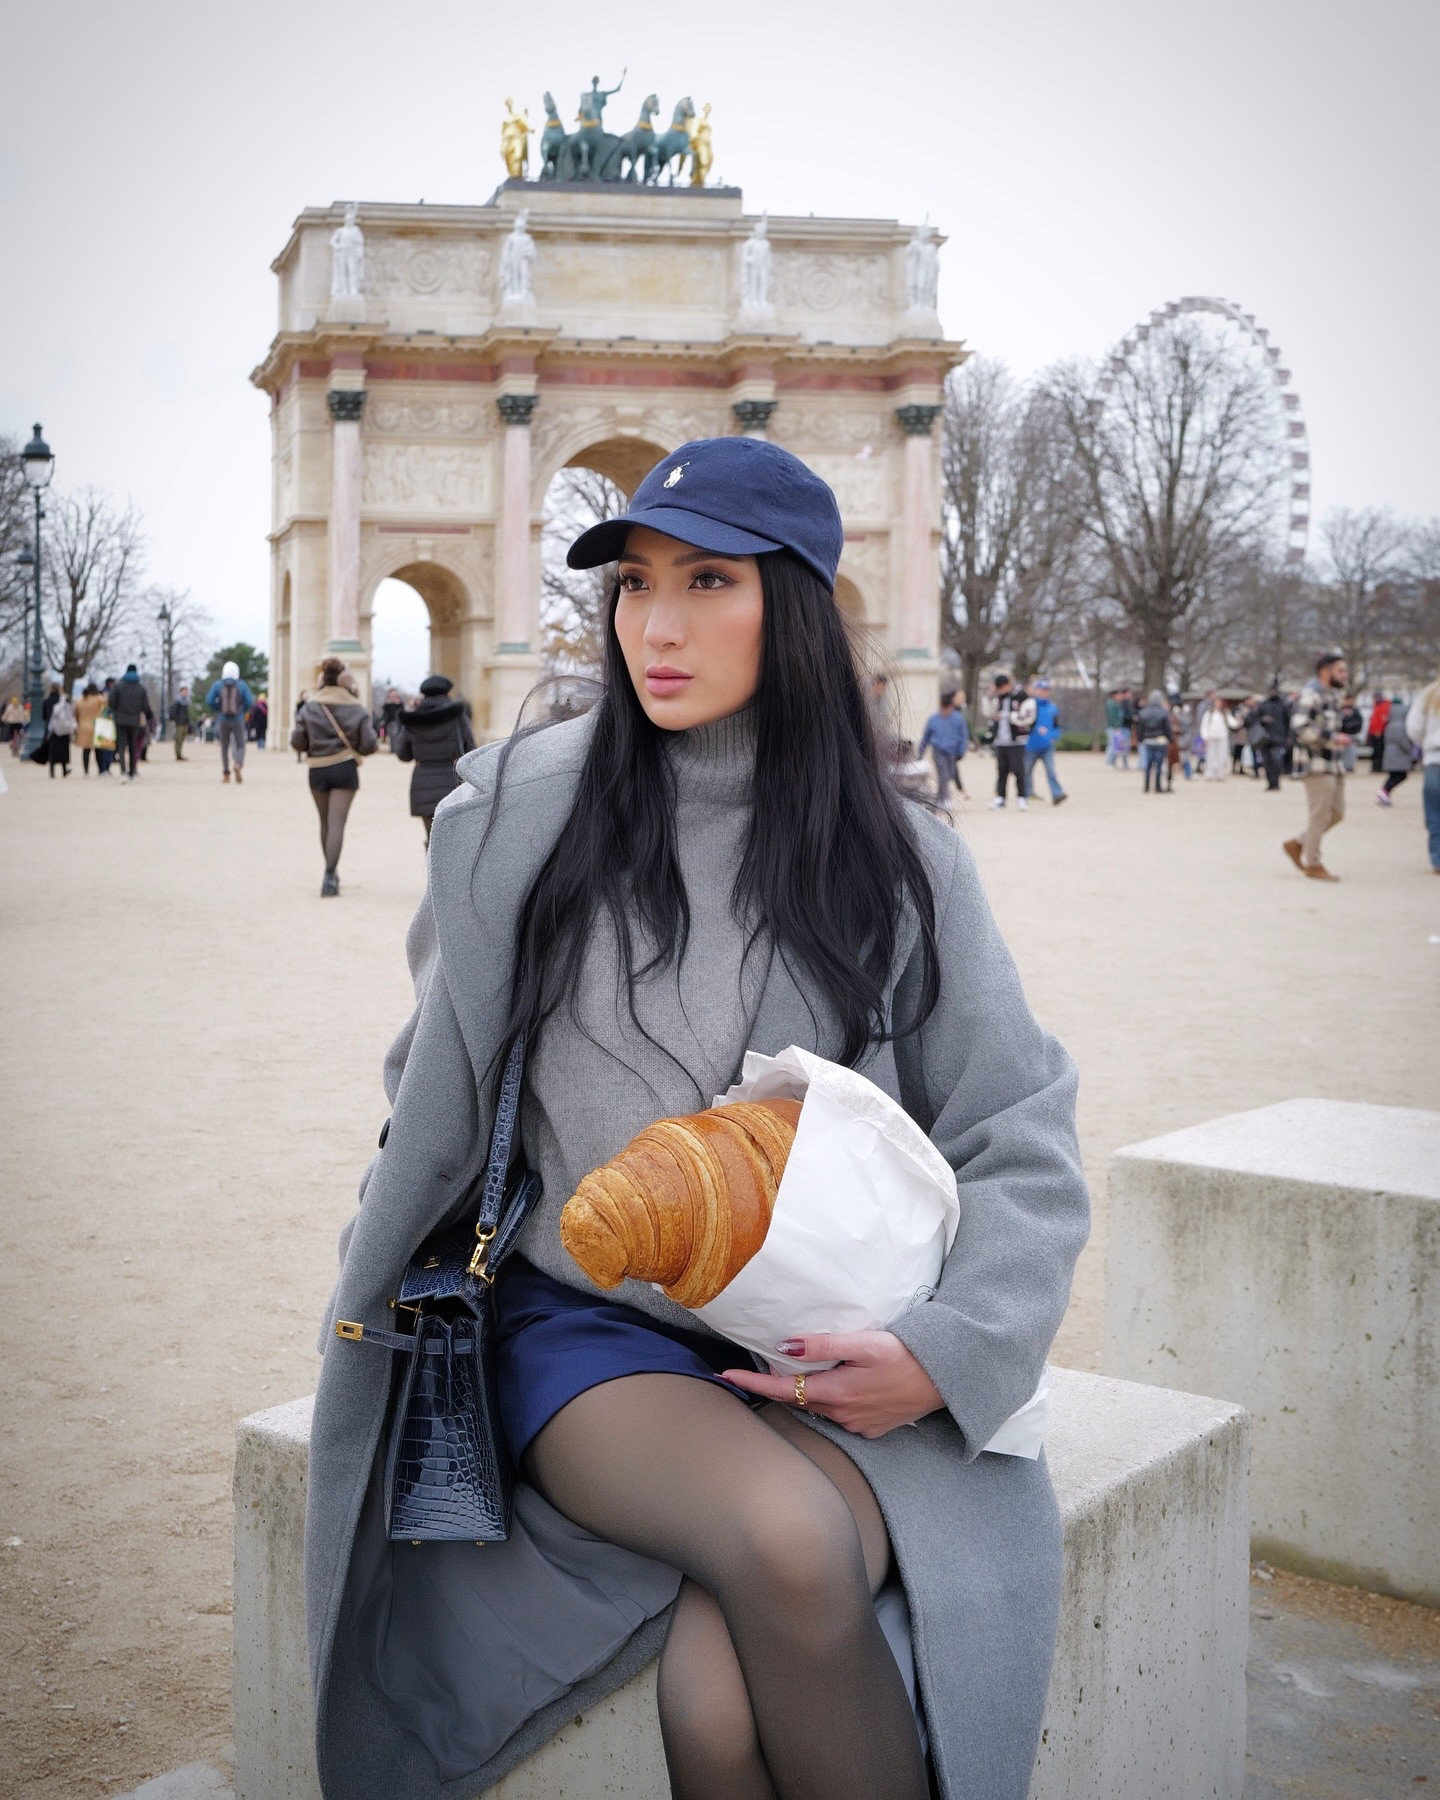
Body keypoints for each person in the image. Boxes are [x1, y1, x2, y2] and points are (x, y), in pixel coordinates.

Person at [305, 438, 1088, 1800]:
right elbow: (427, 1100)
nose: (654, 626)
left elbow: (1019, 1126)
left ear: (795, 608)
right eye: (633, 584)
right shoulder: (517, 818)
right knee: (788, 1540)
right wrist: (366, 1308)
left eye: (707, 581)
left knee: (718, 1708)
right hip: (587, 1333)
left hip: (827, 1341)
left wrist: (947, 1353)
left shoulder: (905, 859)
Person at [290, 656, 378, 895]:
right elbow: (369, 745)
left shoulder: (310, 707)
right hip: (344, 767)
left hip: (317, 769)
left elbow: (297, 742)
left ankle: (330, 871)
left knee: (324, 822)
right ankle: (330, 875)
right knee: (337, 822)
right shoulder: (356, 707)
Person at [1283, 650, 1352, 881]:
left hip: (1332, 762)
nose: (1345, 675)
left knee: (1337, 813)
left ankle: (1299, 843)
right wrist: (1331, 737)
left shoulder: (1332, 696)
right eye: (1340, 670)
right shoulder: (1310, 696)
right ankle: (1313, 863)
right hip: (1314, 763)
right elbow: (1299, 727)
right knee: (1319, 815)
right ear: (1325, 672)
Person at [391, 674, 478, 844]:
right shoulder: (457, 715)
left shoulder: (412, 719)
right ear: (447, 693)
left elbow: (403, 755)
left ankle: (431, 861)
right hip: (451, 781)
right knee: (454, 839)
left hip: (423, 782)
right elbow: (470, 750)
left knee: (432, 839)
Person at [1404, 676, 1440, 873]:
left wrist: (1425, 743)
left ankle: (1438, 857)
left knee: (1434, 812)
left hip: (1434, 757)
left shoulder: (1429, 694)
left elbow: (1414, 728)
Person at [984, 672, 1035, 809]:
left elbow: (1028, 717)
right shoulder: (998, 698)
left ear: (1008, 685)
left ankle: (1022, 797)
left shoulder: (1022, 696)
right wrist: (989, 695)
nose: (1000, 691)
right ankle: (1000, 797)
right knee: (1002, 771)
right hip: (1001, 740)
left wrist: (1006, 716)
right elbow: (988, 712)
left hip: (1017, 740)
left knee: (1019, 770)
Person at [915, 687, 969, 808]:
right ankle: (945, 798)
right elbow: (926, 737)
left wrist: (961, 751)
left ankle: (939, 798)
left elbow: (964, 736)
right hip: (938, 751)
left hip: (952, 752)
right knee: (943, 774)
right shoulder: (933, 719)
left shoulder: (958, 719)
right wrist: (920, 753)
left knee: (949, 775)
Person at [208, 660, 256, 784]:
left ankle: (226, 774)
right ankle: (238, 764)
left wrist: (218, 709)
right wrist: (242, 710)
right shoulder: (242, 685)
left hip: (223, 719)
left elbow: (209, 700)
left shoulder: (218, 685)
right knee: (240, 745)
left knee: (224, 747)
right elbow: (249, 701)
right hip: (238, 719)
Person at [1023, 677, 1067, 804]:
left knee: (1051, 771)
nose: (1044, 692)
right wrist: (1036, 729)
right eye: (1042, 690)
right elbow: (1025, 723)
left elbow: (1056, 726)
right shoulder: (1030, 706)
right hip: (1030, 745)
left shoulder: (1053, 708)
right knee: (1026, 771)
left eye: (1046, 690)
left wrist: (1053, 736)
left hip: (1047, 745)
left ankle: (1057, 793)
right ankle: (1027, 793)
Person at [109, 664, 155, 779]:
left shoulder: (118, 687)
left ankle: (123, 771)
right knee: (132, 746)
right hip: (134, 721)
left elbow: (112, 702)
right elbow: (145, 706)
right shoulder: (140, 688)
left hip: (120, 720)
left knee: (121, 746)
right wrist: (149, 716)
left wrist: (113, 711)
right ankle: (132, 771)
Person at [1376, 698, 1415, 805]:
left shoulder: (1390, 723)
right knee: (1400, 775)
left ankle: (1385, 793)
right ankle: (1384, 791)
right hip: (1399, 754)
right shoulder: (1400, 725)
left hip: (1391, 753)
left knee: (1395, 775)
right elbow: (1402, 740)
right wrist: (1409, 749)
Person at [1135, 689, 1173, 793]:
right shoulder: (1164, 712)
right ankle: (1157, 786)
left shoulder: (1143, 712)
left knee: (1148, 764)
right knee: (1159, 764)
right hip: (1161, 741)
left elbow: (1140, 728)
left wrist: (1141, 739)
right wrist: (1170, 739)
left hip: (1148, 740)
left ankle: (1146, 786)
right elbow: (1167, 728)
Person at [1255, 685, 1290, 792]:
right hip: (1266, 738)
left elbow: (1288, 721)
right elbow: (1256, 718)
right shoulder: (1264, 704)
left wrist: (1288, 736)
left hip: (1279, 736)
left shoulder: (1283, 704)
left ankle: (1276, 782)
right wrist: (1263, 719)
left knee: (1277, 760)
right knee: (1267, 762)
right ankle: (1270, 783)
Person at [1199, 690, 1235, 779]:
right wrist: (1205, 737)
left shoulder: (1225, 713)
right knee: (1211, 756)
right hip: (1211, 737)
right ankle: (1210, 773)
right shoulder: (1209, 713)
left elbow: (1232, 722)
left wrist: (1239, 721)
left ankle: (1220, 774)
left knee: (1222, 756)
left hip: (1222, 736)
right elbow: (1204, 726)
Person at [42, 683, 75, 777]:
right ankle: (64, 769)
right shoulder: (63, 701)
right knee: (63, 749)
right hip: (63, 728)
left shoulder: (46, 701)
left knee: (52, 750)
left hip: (52, 729)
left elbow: (44, 716)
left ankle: (52, 770)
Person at [73, 683, 106, 774]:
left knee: (86, 750)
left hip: (84, 727)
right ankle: (101, 770)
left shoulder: (80, 700)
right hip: (97, 726)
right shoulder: (100, 699)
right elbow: (105, 712)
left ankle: (86, 771)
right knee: (99, 750)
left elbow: (76, 714)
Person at [1365, 690, 1390, 775]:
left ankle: (1378, 767)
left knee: (1379, 751)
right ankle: (1376, 766)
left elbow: (1382, 720)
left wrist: (1378, 730)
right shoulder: (1377, 705)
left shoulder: (1384, 706)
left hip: (1379, 733)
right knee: (1376, 751)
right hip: (1374, 732)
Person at [168, 685, 192, 759]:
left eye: (186, 691)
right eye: (184, 691)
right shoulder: (177, 702)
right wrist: (175, 720)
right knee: (178, 739)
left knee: (182, 739)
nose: (185, 693)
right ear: (181, 692)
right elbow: (173, 712)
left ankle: (179, 754)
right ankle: (178, 755)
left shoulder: (186, 702)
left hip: (184, 722)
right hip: (179, 723)